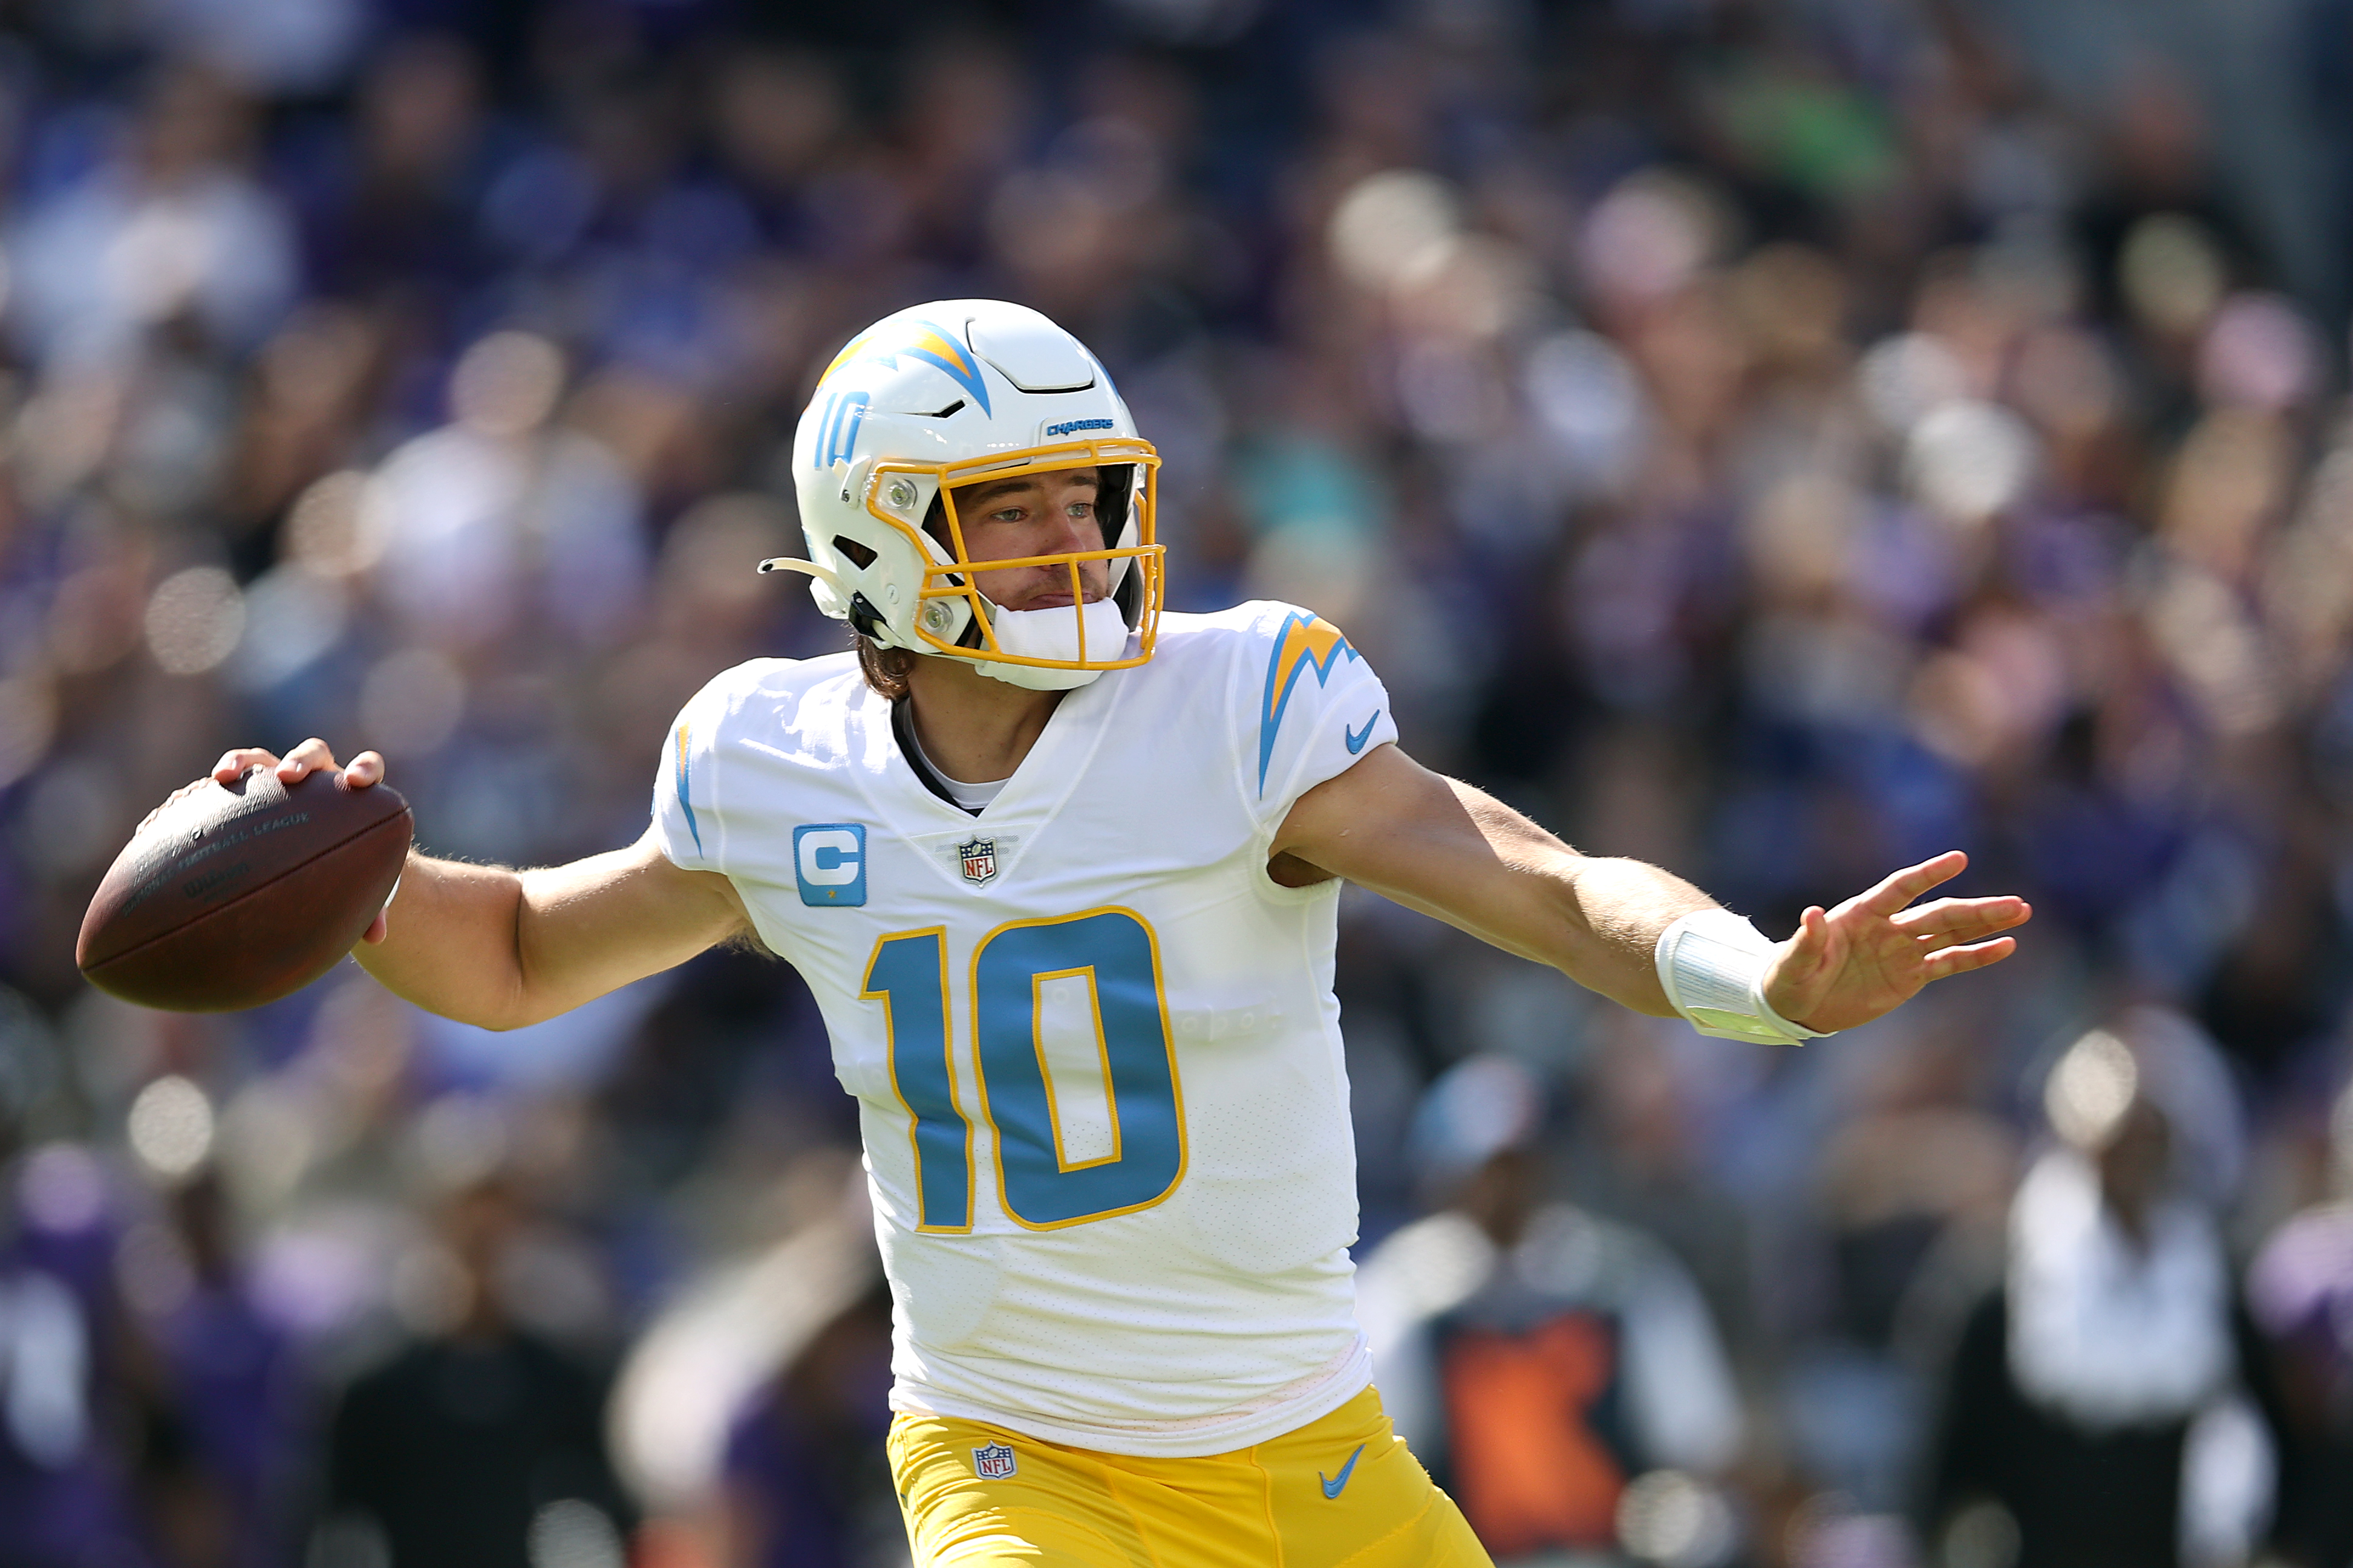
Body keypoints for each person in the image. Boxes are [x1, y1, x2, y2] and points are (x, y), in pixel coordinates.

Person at [208, 299, 2029, 1567]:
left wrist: (1757, 980)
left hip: (1310, 1450)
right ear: (880, 541)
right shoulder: (772, 761)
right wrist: (342, 875)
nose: (1077, 537)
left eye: (1087, 490)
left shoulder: (1239, 705)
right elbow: (520, 953)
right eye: (1013, 506)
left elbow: (1539, 881)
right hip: (1023, 1462)